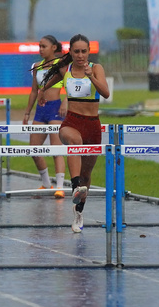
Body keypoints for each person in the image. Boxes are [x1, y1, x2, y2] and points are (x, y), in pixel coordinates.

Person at [47, 35, 110, 233]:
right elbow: (47, 82)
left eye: (84, 51)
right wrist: (41, 93)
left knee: (87, 175)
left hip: (92, 124)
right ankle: (74, 186)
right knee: (73, 141)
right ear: (71, 52)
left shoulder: (96, 68)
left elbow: (106, 93)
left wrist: (91, 76)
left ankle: (78, 211)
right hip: (72, 122)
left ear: (89, 52)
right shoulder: (66, 69)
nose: (80, 55)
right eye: (76, 51)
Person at [23, 35, 68, 196]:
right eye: (39, 46)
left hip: (56, 108)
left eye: (44, 46)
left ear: (54, 48)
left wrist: (65, 102)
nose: (40, 49)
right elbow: (34, 91)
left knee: (56, 149)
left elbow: (71, 84)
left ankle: (60, 187)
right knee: (34, 149)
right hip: (40, 111)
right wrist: (28, 112)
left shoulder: (61, 64)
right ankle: (46, 183)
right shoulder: (36, 66)